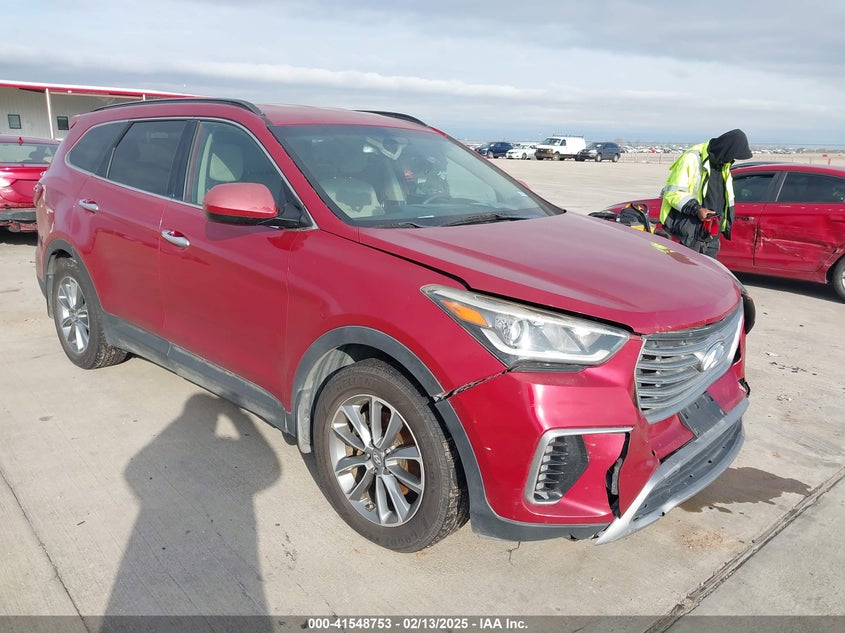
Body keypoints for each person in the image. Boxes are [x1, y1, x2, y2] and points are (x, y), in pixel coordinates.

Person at [659, 129, 753, 258]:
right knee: (688, 267)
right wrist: (697, 209)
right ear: (726, 150)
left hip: (712, 232)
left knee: (708, 268)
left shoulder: (723, 164)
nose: (732, 159)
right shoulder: (692, 158)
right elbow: (674, 192)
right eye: (732, 155)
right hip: (691, 232)